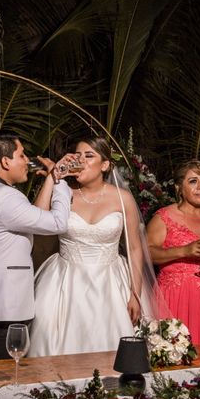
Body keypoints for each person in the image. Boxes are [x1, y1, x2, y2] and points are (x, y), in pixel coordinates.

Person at [29, 137, 164, 357]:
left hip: (110, 283)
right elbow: (36, 219)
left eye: (89, 156)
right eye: (77, 155)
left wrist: (135, 294)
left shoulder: (122, 198)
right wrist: (54, 178)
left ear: (105, 165)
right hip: (64, 283)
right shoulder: (63, 192)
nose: (80, 161)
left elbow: (135, 249)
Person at [0, 133, 73, 361]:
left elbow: (35, 219)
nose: (26, 161)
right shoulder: (4, 196)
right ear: (5, 161)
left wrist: (51, 178)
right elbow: (58, 223)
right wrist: (61, 184)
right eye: (21, 155)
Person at [146, 160, 200, 345]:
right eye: (193, 181)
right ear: (178, 187)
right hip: (177, 298)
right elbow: (147, 254)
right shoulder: (164, 217)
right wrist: (184, 251)